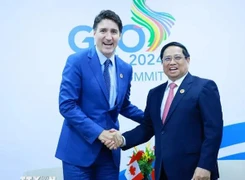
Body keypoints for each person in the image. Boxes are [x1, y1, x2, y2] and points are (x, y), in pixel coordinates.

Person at [107, 41, 223, 180]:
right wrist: (123, 139)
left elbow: (213, 131)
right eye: (167, 59)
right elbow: (148, 127)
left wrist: (205, 166)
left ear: (188, 60)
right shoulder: (155, 93)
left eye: (177, 57)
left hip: (194, 171)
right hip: (163, 171)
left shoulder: (203, 87)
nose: (172, 62)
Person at [55, 10, 144, 180]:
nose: (108, 37)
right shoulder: (76, 61)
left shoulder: (125, 68)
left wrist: (154, 118)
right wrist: (99, 133)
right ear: (94, 33)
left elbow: (123, 105)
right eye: (103, 31)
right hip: (78, 151)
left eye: (114, 32)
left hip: (109, 153)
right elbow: (67, 105)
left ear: (120, 36)